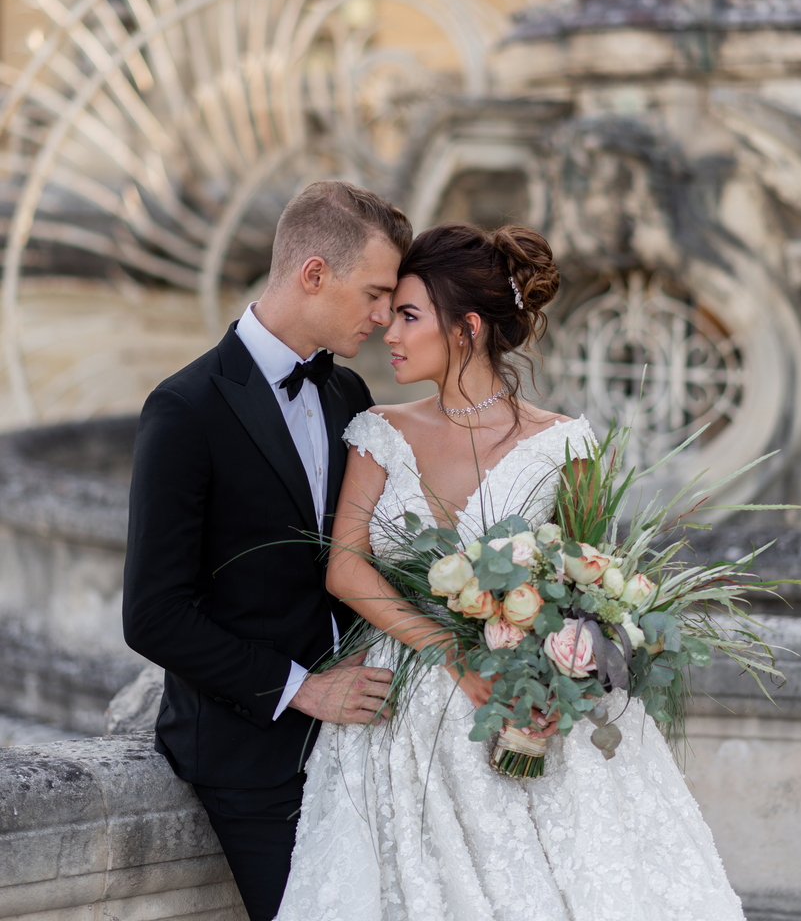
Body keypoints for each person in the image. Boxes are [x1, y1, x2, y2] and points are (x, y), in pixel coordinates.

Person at [276, 222, 746, 921]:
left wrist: (561, 670)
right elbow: (344, 570)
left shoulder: (566, 445)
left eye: (408, 315)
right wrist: (454, 659)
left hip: (530, 699)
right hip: (402, 706)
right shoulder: (378, 429)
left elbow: (588, 583)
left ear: (466, 327)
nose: (387, 332)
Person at [122, 180, 413, 921]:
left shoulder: (346, 392)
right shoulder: (184, 409)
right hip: (248, 757)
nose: (384, 317)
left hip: (358, 742)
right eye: (376, 294)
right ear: (314, 274)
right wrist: (300, 689)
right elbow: (153, 614)